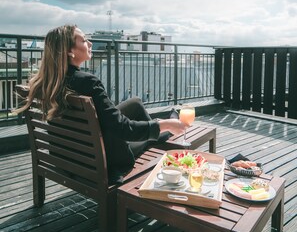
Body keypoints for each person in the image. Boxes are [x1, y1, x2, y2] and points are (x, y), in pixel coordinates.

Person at [16, 25, 188, 184]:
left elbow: (111, 120)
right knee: (150, 133)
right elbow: (121, 128)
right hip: (101, 159)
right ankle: (162, 129)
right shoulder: (88, 82)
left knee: (135, 103)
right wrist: (163, 124)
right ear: (70, 52)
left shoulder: (46, 82)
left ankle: (156, 127)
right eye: (83, 40)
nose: (90, 43)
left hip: (68, 154)